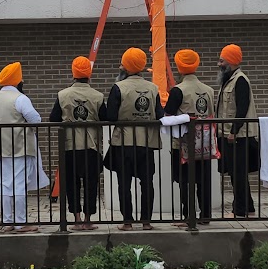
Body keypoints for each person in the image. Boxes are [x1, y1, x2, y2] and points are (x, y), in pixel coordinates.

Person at [106, 47, 163, 231]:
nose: (120, 66)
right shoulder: (153, 88)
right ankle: (146, 221)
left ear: (126, 67)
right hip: (147, 141)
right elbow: (160, 114)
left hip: (124, 142)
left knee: (124, 183)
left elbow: (111, 116)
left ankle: (127, 222)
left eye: (122, 63)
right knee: (147, 183)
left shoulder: (118, 87)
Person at [49, 56, 106, 229]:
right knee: (91, 183)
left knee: (71, 184)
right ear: (89, 74)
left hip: (69, 145)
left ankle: (77, 218)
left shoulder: (62, 95)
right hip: (91, 145)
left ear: (73, 73)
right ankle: (88, 219)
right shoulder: (98, 96)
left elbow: (53, 118)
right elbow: (105, 118)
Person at [0, 62, 45, 233]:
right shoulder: (20, 98)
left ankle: (7, 221)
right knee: (19, 185)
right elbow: (36, 120)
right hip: (20, 148)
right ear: (18, 81)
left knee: (3, 185)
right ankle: (21, 222)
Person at [164, 49, 215, 226]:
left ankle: (188, 216)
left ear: (179, 67)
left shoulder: (178, 90)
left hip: (183, 144)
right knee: (204, 179)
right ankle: (206, 215)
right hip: (206, 142)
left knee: (185, 181)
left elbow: (168, 115)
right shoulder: (209, 90)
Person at [215, 44, 258, 219]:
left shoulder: (240, 80)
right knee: (236, 173)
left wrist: (234, 130)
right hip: (229, 134)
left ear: (231, 61)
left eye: (222, 60)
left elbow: (242, 107)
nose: (219, 64)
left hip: (238, 136)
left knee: (238, 173)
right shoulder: (229, 80)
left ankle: (239, 210)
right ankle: (248, 207)